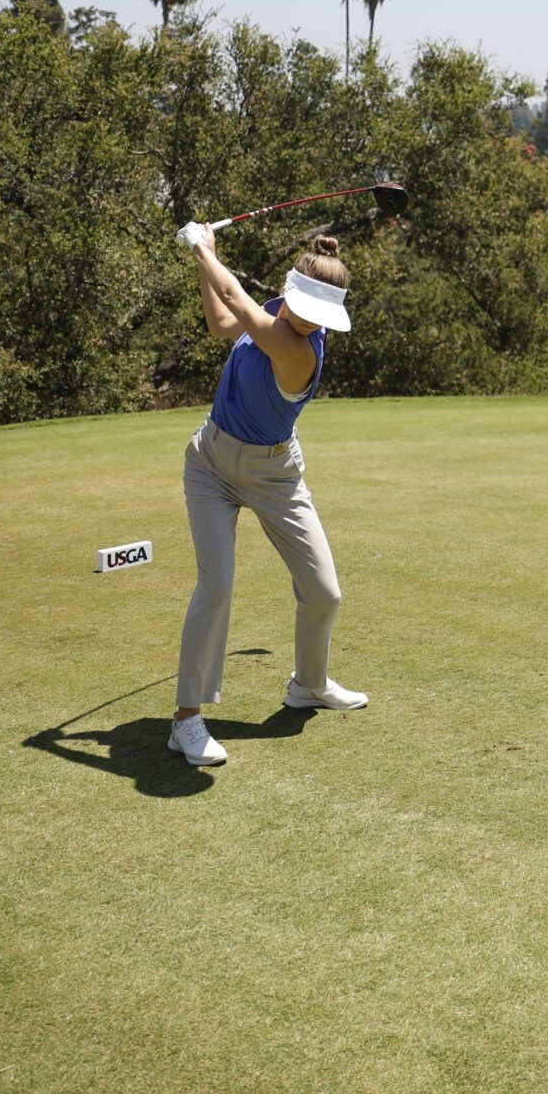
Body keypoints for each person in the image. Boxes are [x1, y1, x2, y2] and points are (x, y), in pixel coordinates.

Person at [165, 221, 366, 766]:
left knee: (324, 590)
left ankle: (310, 684)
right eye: (306, 308)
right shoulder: (279, 308)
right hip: (210, 464)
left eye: (321, 317)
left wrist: (205, 250)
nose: (309, 321)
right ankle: (186, 720)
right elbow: (220, 318)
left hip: (276, 473)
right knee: (217, 585)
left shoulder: (299, 350)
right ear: (291, 292)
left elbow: (235, 295)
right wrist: (203, 261)